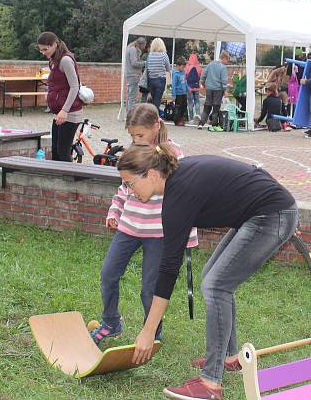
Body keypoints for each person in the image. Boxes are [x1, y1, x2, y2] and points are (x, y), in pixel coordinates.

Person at [120, 147, 297, 400]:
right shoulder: (179, 177)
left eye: (129, 183)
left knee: (216, 286)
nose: (129, 191)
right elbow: (253, 173)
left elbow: (169, 268)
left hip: (269, 215)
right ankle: (230, 357)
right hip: (271, 211)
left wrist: (148, 331)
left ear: (150, 174)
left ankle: (211, 383)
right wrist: (285, 208)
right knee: (213, 276)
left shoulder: (177, 196)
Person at [90, 104, 197, 345]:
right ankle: (111, 322)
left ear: (156, 127)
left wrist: (188, 234)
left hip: (159, 233)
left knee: (150, 288)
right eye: (132, 136)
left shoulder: (173, 153)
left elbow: (186, 195)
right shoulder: (133, 152)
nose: (136, 140)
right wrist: (114, 211)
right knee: (108, 274)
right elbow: (123, 187)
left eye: (140, 134)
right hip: (129, 228)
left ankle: (152, 332)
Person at [38, 32, 83, 162]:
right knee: (56, 151)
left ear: (54, 45)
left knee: (63, 152)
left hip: (70, 113)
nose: (43, 53)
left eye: (45, 49)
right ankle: (57, 179)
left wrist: (65, 110)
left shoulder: (66, 60)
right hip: (60, 113)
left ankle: (68, 180)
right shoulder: (54, 59)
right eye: (40, 50)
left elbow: (75, 86)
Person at [198, 50, 230, 132]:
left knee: (207, 106)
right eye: (227, 60)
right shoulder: (223, 67)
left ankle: (201, 123)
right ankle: (213, 125)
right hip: (218, 90)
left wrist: (202, 82)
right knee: (216, 107)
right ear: (224, 58)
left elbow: (204, 74)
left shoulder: (210, 64)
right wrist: (225, 90)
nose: (227, 62)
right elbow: (224, 81)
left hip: (209, 89)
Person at [146, 38, 171, 112]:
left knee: (154, 100)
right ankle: (155, 118)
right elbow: (168, 69)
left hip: (151, 80)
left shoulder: (150, 55)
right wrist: (169, 86)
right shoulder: (164, 55)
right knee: (157, 101)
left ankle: (153, 116)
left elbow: (147, 68)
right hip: (160, 80)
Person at [125, 37, 147, 111]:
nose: (144, 47)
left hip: (131, 75)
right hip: (133, 75)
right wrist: (145, 63)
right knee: (133, 97)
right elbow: (134, 63)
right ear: (141, 44)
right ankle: (131, 116)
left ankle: (128, 114)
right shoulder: (133, 49)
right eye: (144, 45)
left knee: (129, 96)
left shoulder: (131, 48)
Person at [185, 53, 203, 121]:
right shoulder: (199, 67)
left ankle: (191, 118)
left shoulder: (187, 67)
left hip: (189, 88)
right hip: (197, 87)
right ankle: (198, 115)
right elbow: (200, 77)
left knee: (190, 102)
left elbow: (185, 77)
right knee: (197, 102)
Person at [171, 58, 188, 127]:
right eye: (182, 67)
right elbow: (174, 85)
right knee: (178, 107)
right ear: (177, 66)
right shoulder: (175, 74)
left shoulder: (183, 72)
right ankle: (177, 120)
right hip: (178, 93)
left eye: (184, 67)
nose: (183, 68)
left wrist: (187, 88)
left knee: (184, 106)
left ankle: (182, 119)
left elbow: (185, 82)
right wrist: (173, 95)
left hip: (184, 93)